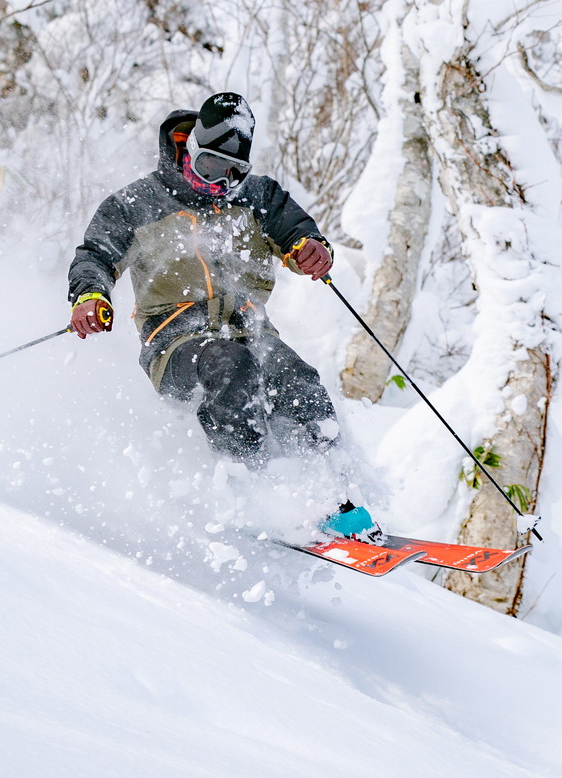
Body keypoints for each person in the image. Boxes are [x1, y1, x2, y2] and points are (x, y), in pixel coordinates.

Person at [66, 92, 381, 541]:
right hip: (174, 342)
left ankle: (337, 496)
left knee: (297, 380)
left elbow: (298, 232)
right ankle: (256, 495)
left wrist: (311, 249)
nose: (220, 182)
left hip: (249, 330)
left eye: (234, 173)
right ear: (189, 148)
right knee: (230, 367)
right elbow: (95, 255)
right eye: (211, 167)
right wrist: (89, 294)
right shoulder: (136, 204)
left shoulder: (257, 197)